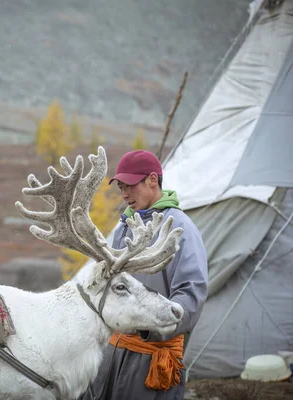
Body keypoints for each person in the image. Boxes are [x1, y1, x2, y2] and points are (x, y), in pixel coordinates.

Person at [80, 150, 208, 400]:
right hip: (112, 353)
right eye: (120, 186)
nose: (124, 193)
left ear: (152, 180)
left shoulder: (180, 228)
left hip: (151, 359)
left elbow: (191, 294)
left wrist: (153, 325)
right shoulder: (125, 226)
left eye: (130, 185)